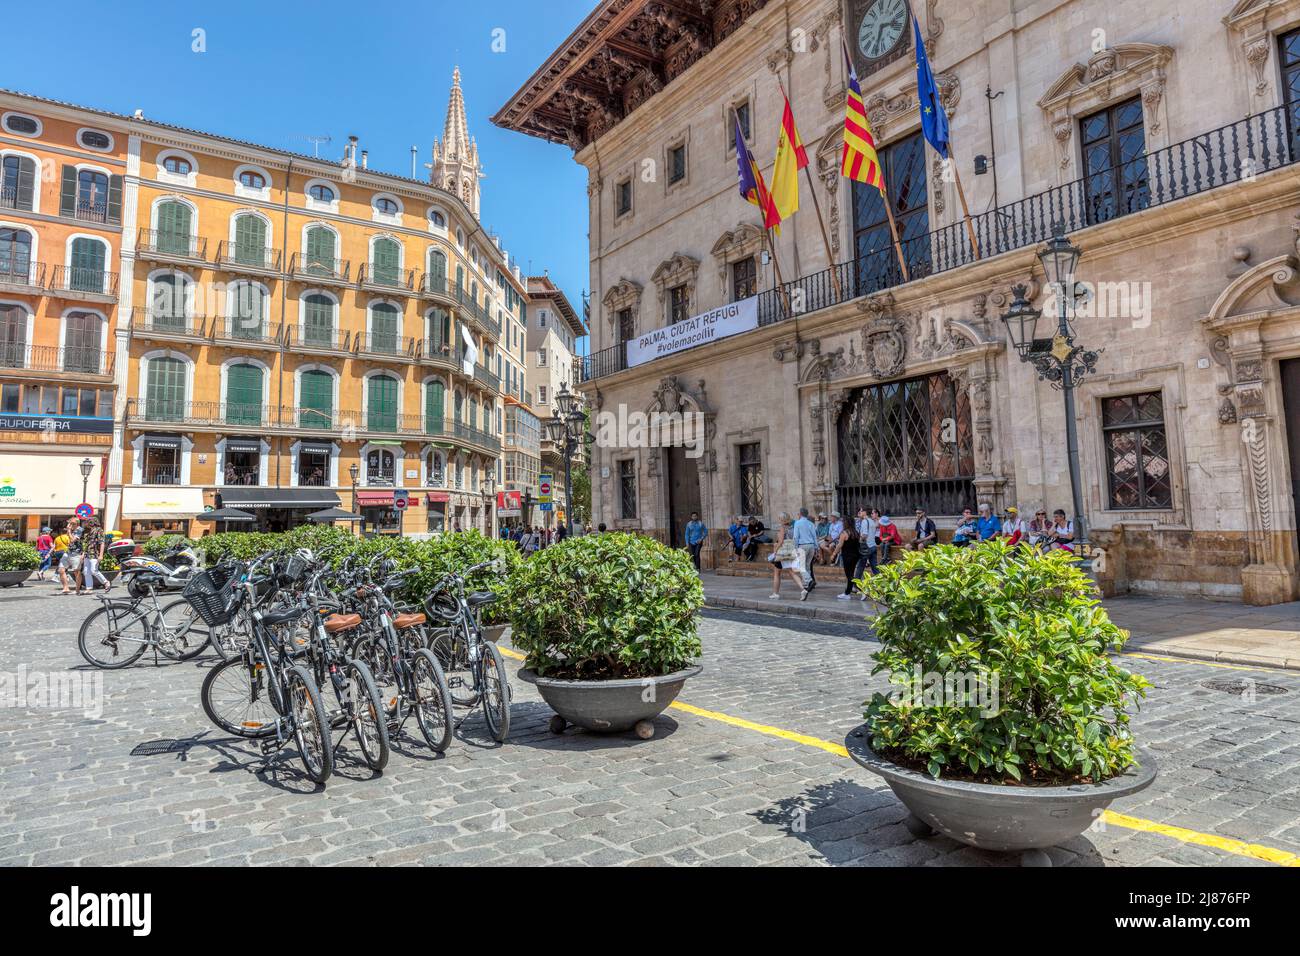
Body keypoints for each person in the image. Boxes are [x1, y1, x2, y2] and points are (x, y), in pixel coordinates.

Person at [767, 512, 807, 601]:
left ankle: (775, 593)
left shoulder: (783, 528)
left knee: (777, 573)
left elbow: (780, 542)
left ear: (782, 519)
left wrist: (775, 552)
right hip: (791, 552)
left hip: (782, 554)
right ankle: (803, 589)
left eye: (779, 519)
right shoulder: (794, 527)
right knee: (792, 572)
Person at [78, 517, 111, 593]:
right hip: (87, 553)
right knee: (86, 571)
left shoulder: (99, 530)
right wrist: (83, 554)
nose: (86, 523)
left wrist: (101, 555)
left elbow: (102, 542)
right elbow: (86, 544)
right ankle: (89, 588)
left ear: (92, 522)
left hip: (95, 553)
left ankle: (106, 582)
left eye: (88, 522)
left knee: (94, 570)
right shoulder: (88, 531)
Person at [832, 519, 862, 600]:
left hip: (847, 556)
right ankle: (847, 593)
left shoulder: (844, 533)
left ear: (846, 523)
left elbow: (839, 545)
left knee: (849, 575)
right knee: (851, 574)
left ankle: (862, 590)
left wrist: (834, 554)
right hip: (856, 556)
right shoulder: (856, 532)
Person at [791, 507, 819, 590]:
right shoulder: (811, 523)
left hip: (802, 545)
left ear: (800, 514)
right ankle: (807, 584)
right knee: (807, 566)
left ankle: (809, 581)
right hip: (811, 546)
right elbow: (814, 537)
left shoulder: (798, 523)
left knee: (801, 566)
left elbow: (796, 537)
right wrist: (816, 547)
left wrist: (795, 548)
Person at [853, 508, 878, 582]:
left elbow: (864, 535)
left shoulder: (864, 521)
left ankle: (855, 585)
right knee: (875, 568)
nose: (860, 512)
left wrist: (858, 539)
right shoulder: (872, 521)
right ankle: (882, 584)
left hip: (866, 547)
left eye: (861, 511)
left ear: (865, 512)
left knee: (860, 567)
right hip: (873, 546)